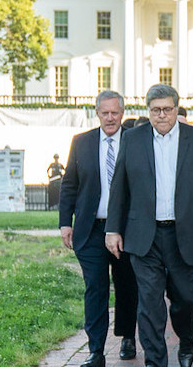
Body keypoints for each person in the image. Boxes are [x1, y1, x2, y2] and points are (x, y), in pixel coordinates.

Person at [104, 84, 193, 367]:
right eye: (155, 110)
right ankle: (155, 360)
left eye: (167, 109)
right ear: (148, 111)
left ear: (176, 109)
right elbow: (119, 188)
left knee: (185, 299)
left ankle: (186, 341)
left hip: (186, 235)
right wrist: (113, 229)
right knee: (149, 303)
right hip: (143, 236)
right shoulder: (133, 139)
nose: (161, 115)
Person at [59, 91, 139, 367]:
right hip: (90, 229)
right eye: (105, 112)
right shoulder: (81, 142)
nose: (110, 117)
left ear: (122, 113)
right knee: (95, 288)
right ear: (97, 113)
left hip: (126, 230)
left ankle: (128, 335)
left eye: (115, 112)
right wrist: (64, 223)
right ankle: (96, 350)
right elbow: (69, 184)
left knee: (127, 285)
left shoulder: (135, 141)